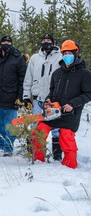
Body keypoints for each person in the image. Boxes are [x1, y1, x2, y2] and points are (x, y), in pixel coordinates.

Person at [31, 39, 91, 169]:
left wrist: (72, 104)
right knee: (39, 132)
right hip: (53, 111)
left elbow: (88, 94)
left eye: (70, 53)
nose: (67, 56)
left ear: (76, 53)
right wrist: (48, 100)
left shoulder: (84, 74)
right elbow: (52, 91)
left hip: (71, 113)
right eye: (65, 53)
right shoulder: (57, 73)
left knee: (66, 138)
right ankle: (37, 162)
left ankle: (70, 166)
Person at [22, 34, 63, 160]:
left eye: (49, 40)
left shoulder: (59, 56)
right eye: (44, 40)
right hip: (38, 99)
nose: (46, 42)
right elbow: (28, 77)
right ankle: (34, 152)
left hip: (53, 100)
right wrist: (26, 95)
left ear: (53, 42)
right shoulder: (35, 58)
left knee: (56, 127)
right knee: (35, 125)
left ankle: (57, 153)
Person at [0, 35, 27, 156]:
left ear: (12, 44)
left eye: (8, 42)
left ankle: (8, 148)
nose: (6, 43)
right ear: (0, 44)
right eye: (4, 41)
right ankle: (1, 144)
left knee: (10, 126)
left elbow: (23, 80)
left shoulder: (18, 59)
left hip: (12, 98)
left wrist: (20, 97)